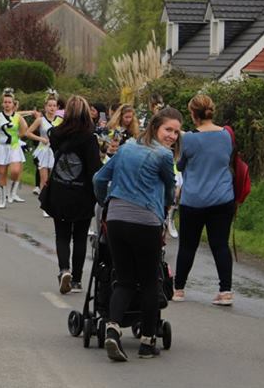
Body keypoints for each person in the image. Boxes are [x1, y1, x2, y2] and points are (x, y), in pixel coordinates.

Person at [93, 106, 181, 361]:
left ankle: (112, 328)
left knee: (124, 279)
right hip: (146, 221)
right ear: (155, 127)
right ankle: (147, 342)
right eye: (168, 130)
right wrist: (165, 208)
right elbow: (169, 188)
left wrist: (105, 202)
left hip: (117, 220)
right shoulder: (164, 156)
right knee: (150, 281)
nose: (172, 136)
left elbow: (99, 178)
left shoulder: (127, 147)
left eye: (176, 132)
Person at [172, 94, 237, 306]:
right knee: (220, 245)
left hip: (194, 200)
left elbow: (180, 165)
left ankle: (179, 289)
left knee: (188, 246)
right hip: (222, 197)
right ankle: (225, 291)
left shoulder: (189, 139)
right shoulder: (226, 135)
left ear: (193, 114)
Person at [40, 95, 102, 294]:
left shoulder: (56, 134)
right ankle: (76, 279)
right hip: (82, 193)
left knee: (62, 234)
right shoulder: (90, 139)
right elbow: (94, 170)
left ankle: (63, 269)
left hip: (59, 189)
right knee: (81, 237)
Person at [0, 89, 29, 209]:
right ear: (2, 103)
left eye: (9, 102)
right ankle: (2, 198)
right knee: (2, 173)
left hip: (14, 147)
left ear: (13, 104)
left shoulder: (18, 117)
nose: (7, 104)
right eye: (5, 102)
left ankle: (12, 190)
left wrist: (17, 137)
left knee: (15, 171)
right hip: (1, 147)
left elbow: (24, 129)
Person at [26, 91, 63, 204]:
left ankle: (52, 200)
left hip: (55, 151)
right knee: (44, 179)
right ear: (45, 107)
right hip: (43, 151)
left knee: (54, 179)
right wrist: (40, 139)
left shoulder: (60, 120)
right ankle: (44, 203)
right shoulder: (40, 120)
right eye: (49, 106)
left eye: (54, 106)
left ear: (57, 107)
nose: (52, 108)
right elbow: (28, 133)